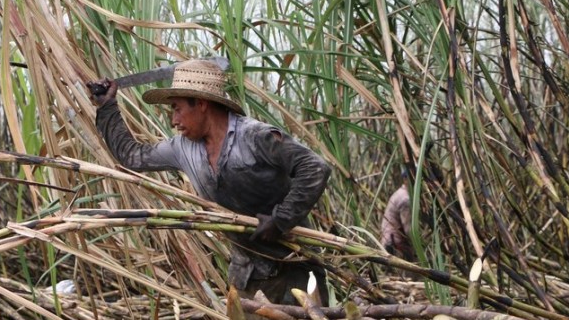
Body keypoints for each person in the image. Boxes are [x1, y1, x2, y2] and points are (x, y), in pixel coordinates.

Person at [88, 58, 331, 305]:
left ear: (201, 104)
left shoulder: (255, 137)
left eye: (177, 108)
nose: (173, 120)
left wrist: (281, 219)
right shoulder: (182, 148)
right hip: (248, 275)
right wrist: (107, 107)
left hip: (296, 268)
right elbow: (132, 156)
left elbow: (315, 168)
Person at [380, 183, 416, 261]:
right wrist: (420, 245)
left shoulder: (399, 193)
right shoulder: (405, 199)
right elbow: (409, 230)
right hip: (396, 245)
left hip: (388, 241)